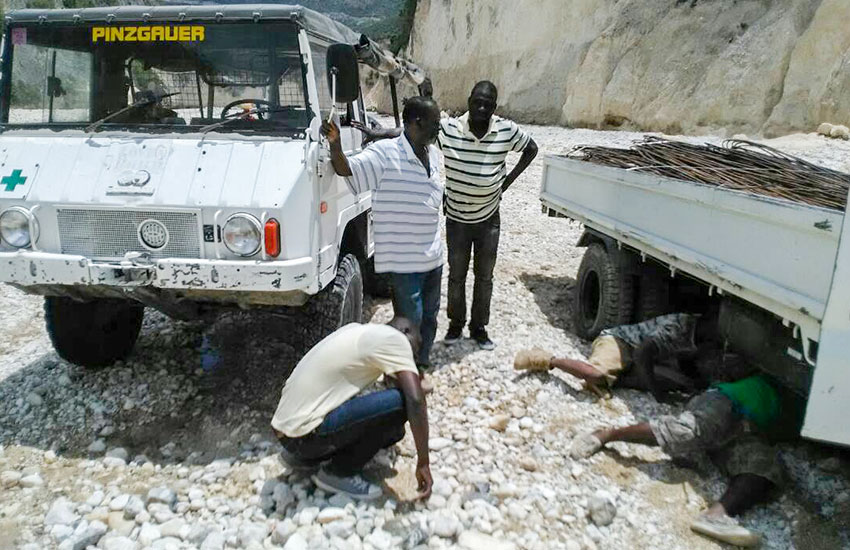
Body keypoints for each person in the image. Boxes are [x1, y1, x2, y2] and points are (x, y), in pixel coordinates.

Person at [355, 82, 539, 350]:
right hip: (456, 219)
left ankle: (479, 328)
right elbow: (415, 132)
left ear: (494, 106)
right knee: (456, 275)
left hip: (489, 219)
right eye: (477, 101)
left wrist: (505, 184)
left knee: (485, 277)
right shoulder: (451, 128)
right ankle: (455, 325)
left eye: (488, 103)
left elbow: (531, 149)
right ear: (469, 100)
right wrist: (379, 132)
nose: (482, 107)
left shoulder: (506, 130)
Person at [569, 374, 794, 547]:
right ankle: (606, 434)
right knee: (688, 431)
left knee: (763, 467)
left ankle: (715, 516)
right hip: (725, 401)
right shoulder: (790, 383)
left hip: (748, 429)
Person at [322, 97, 443, 370]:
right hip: (404, 260)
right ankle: (405, 372)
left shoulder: (431, 152)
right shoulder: (385, 154)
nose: (439, 128)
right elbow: (346, 168)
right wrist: (335, 143)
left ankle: (421, 363)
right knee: (409, 321)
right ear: (416, 123)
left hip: (434, 256)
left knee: (430, 317)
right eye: (435, 123)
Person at [271, 317, 432, 501]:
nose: (414, 358)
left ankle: (306, 458)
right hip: (306, 437)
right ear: (405, 332)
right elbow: (415, 400)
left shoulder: (356, 331)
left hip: (287, 435)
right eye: (416, 348)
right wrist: (424, 463)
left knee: (394, 430)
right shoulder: (395, 339)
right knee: (403, 404)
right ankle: (339, 473)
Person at [514, 312, 720, 398]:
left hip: (638, 355)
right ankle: (545, 359)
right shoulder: (680, 326)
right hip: (619, 342)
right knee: (595, 375)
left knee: (679, 383)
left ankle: (616, 379)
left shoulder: (699, 338)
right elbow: (642, 353)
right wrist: (655, 392)